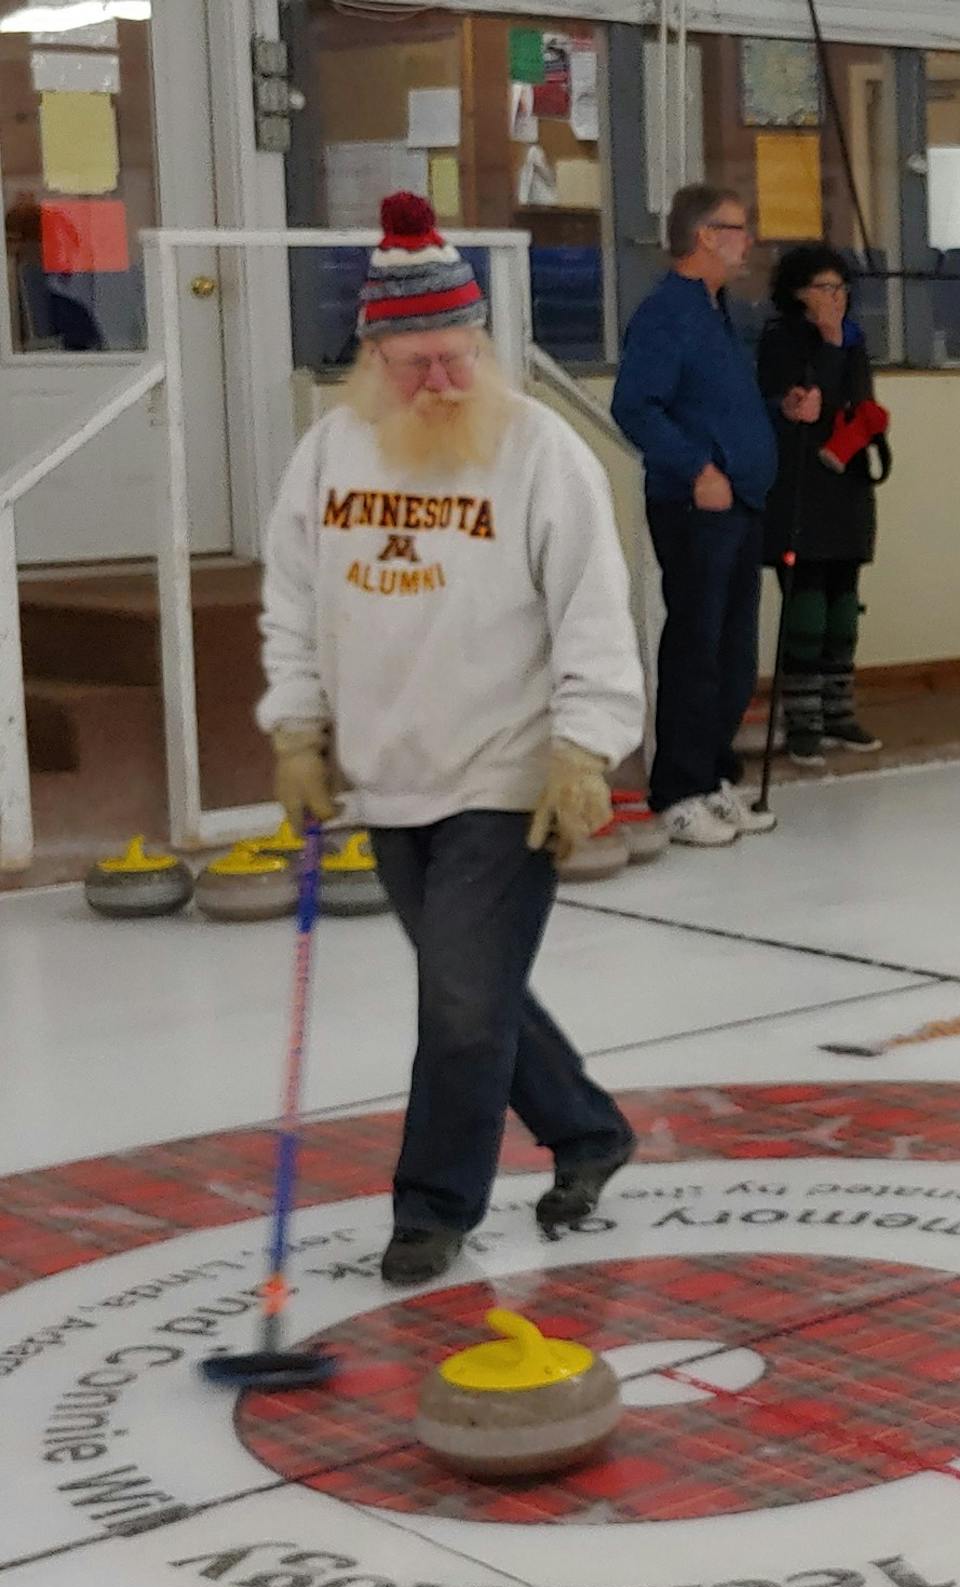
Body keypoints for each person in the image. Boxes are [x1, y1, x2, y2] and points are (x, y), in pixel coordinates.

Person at [257, 193, 645, 1286]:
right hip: (389, 776)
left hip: (506, 774)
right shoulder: (332, 454)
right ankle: (586, 1129)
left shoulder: (538, 454)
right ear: (372, 355)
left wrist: (584, 748)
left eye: (455, 358)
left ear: (481, 343)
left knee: (462, 1005)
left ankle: (431, 1210)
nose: (438, 383)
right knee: (473, 990)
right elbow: (294, 597)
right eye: (415, 363)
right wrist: (298, 727)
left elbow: (593, 608)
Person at [611, 184, 780, 846]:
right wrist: (699, 468)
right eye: (739, 229)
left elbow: (717, 404)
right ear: (706, 235)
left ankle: (713, 776)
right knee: (697, 648)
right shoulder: (667, 314)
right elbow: (636, 406)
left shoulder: (720, 313)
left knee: (734, 654)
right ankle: (678, 789)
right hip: (697, 504)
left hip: (742, 502)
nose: (748, 241)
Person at [758, 243, 892, 766]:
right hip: (799, 483)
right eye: (824, 288)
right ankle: (803, 719)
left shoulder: (853, 341)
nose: (836, 298)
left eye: (841, 288)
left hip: (847, 482)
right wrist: (805, 403)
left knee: (843, 602)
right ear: (798, 293)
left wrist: (837, 350)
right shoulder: (780, 339)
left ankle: (839, 711)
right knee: (807, 601)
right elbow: (784, 402)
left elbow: (858, 403)